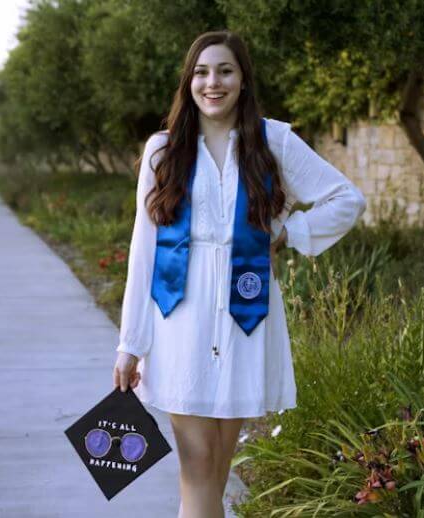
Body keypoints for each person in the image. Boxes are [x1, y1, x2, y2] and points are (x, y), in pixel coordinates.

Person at [112, 30, 366, 518]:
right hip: (179, 320)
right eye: (202, 72)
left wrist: (289, 232)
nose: (213, 83)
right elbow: (143, 251)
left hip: (245, 321)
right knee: (197, 465)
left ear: (243, 79)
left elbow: (347, 199)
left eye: (225, 71)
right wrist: (130, 343)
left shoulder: (273, 141)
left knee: (216, 470)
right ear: (188, 82)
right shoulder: (164, 150)